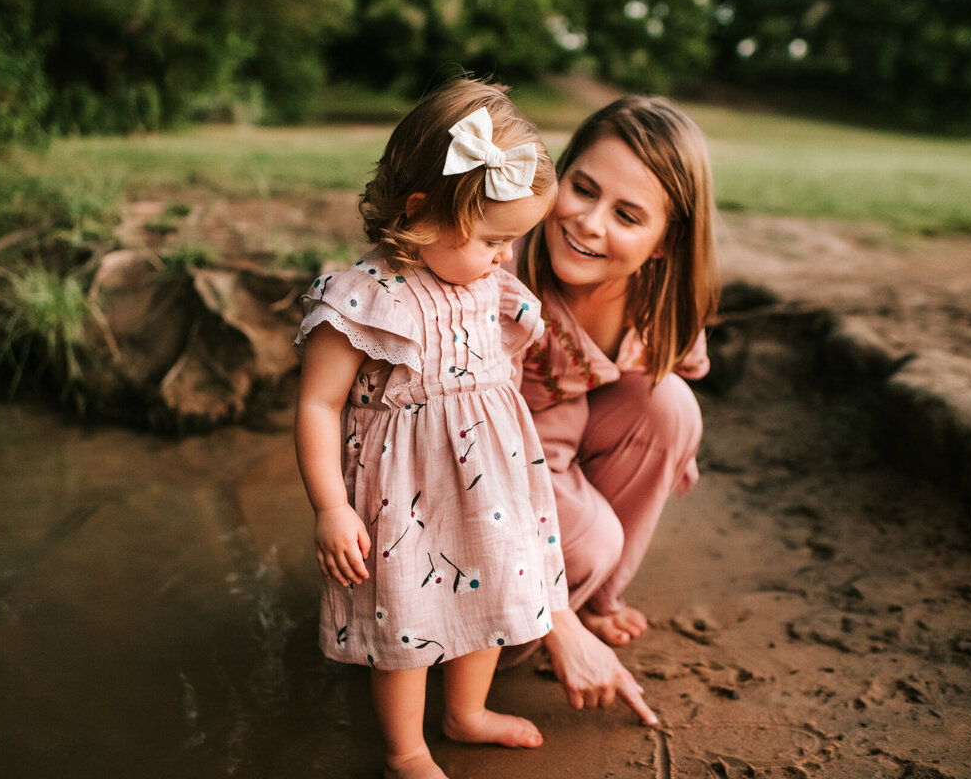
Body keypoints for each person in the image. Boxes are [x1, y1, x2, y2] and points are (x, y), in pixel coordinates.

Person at [294, 78, 568, 779]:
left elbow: (492, 378)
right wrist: (330, 506)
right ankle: (405, 752)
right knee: (406, 620)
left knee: (493, 588)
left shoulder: (487, 283)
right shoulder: (366, 299)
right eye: (494, 238)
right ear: (418, 214)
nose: (506, 255)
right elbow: (319, 406)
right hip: (401, 496)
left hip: (488, 487)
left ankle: (466, 712)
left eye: (514, 240)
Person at [505, 95, 720, 725]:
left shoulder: (658, 298)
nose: (590, 223)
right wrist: (559, 625)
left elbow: (669, 383)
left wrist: (673, 448)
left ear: (663, 243)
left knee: (671, 407)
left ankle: (595, 594)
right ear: (558, 175)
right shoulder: (504, 272)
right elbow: (465, 451)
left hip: (561, 450)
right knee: (591, 540)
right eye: (582, 189)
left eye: (627, 215)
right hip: (483, 468)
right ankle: (518, 625)